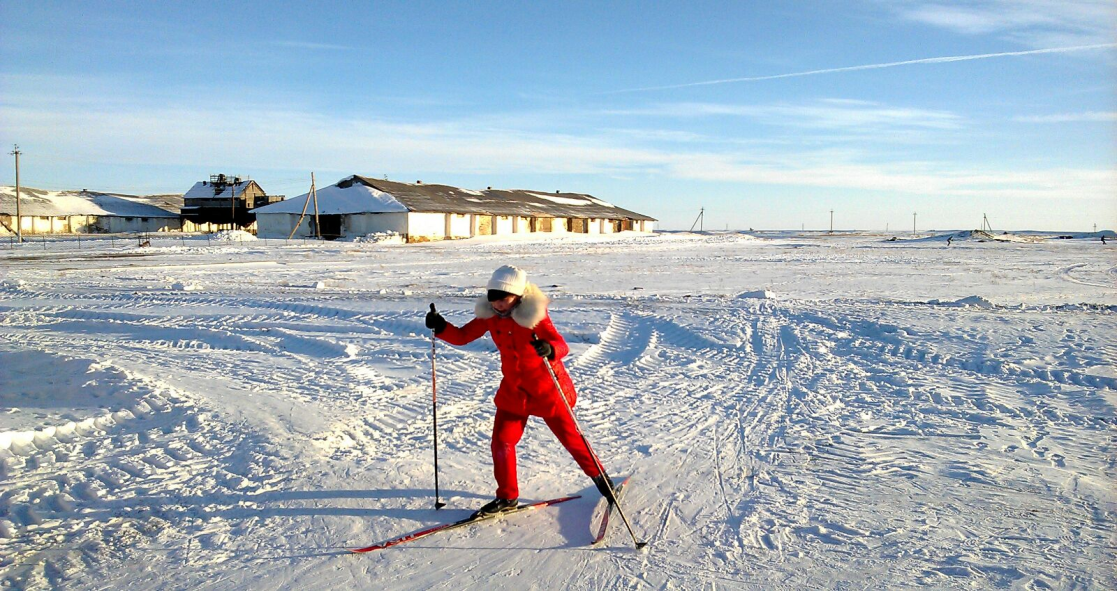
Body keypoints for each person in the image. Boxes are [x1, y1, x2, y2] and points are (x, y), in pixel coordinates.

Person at [425, 265, 613, 516]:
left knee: (573, 441)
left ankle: (605, 485)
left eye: (502, 299)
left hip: (548, 390)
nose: (496, 304)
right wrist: (441, 326)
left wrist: (549, 348)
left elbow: (562, 345)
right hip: (514, 392)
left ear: (517, 296)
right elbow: (462, 336)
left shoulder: (534, 316)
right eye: (492, 298)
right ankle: (507, 497)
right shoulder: (490, 316)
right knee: (502, 441)